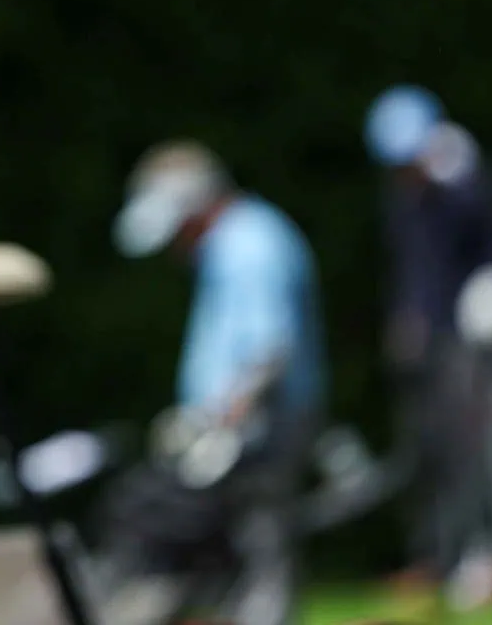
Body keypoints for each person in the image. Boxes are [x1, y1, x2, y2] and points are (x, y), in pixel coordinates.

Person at [363, 85, 492, 608]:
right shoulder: (402, 195)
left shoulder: (470, 186)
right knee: (431, 455)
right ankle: (437, 560)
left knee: (487, 456)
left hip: (475, 349)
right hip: (426, 352)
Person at [112, 139, 327, 625]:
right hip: (241, 428)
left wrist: (219, 428)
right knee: (235, 555)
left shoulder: (250, 246)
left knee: (258, 552)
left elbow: (269, 352)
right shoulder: (233, 243)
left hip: (258, 430)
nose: (174, 244)